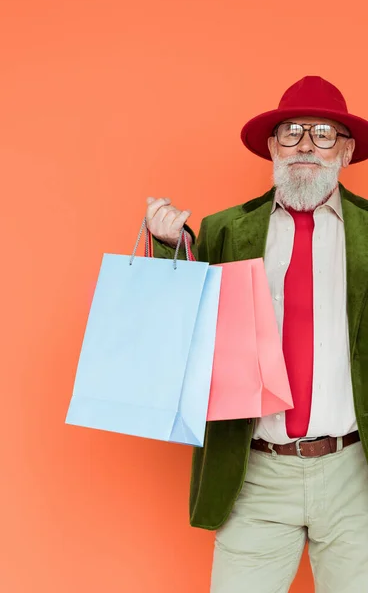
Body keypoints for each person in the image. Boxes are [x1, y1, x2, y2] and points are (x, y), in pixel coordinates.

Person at [145, 76, 368, 593]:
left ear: (347, 149)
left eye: (323, 133)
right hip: (256, 471)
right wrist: (167, 247)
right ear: (272, 145)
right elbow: (183, 330)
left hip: (354, 472)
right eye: (291, 132)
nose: (306, 145)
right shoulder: (226, 229)